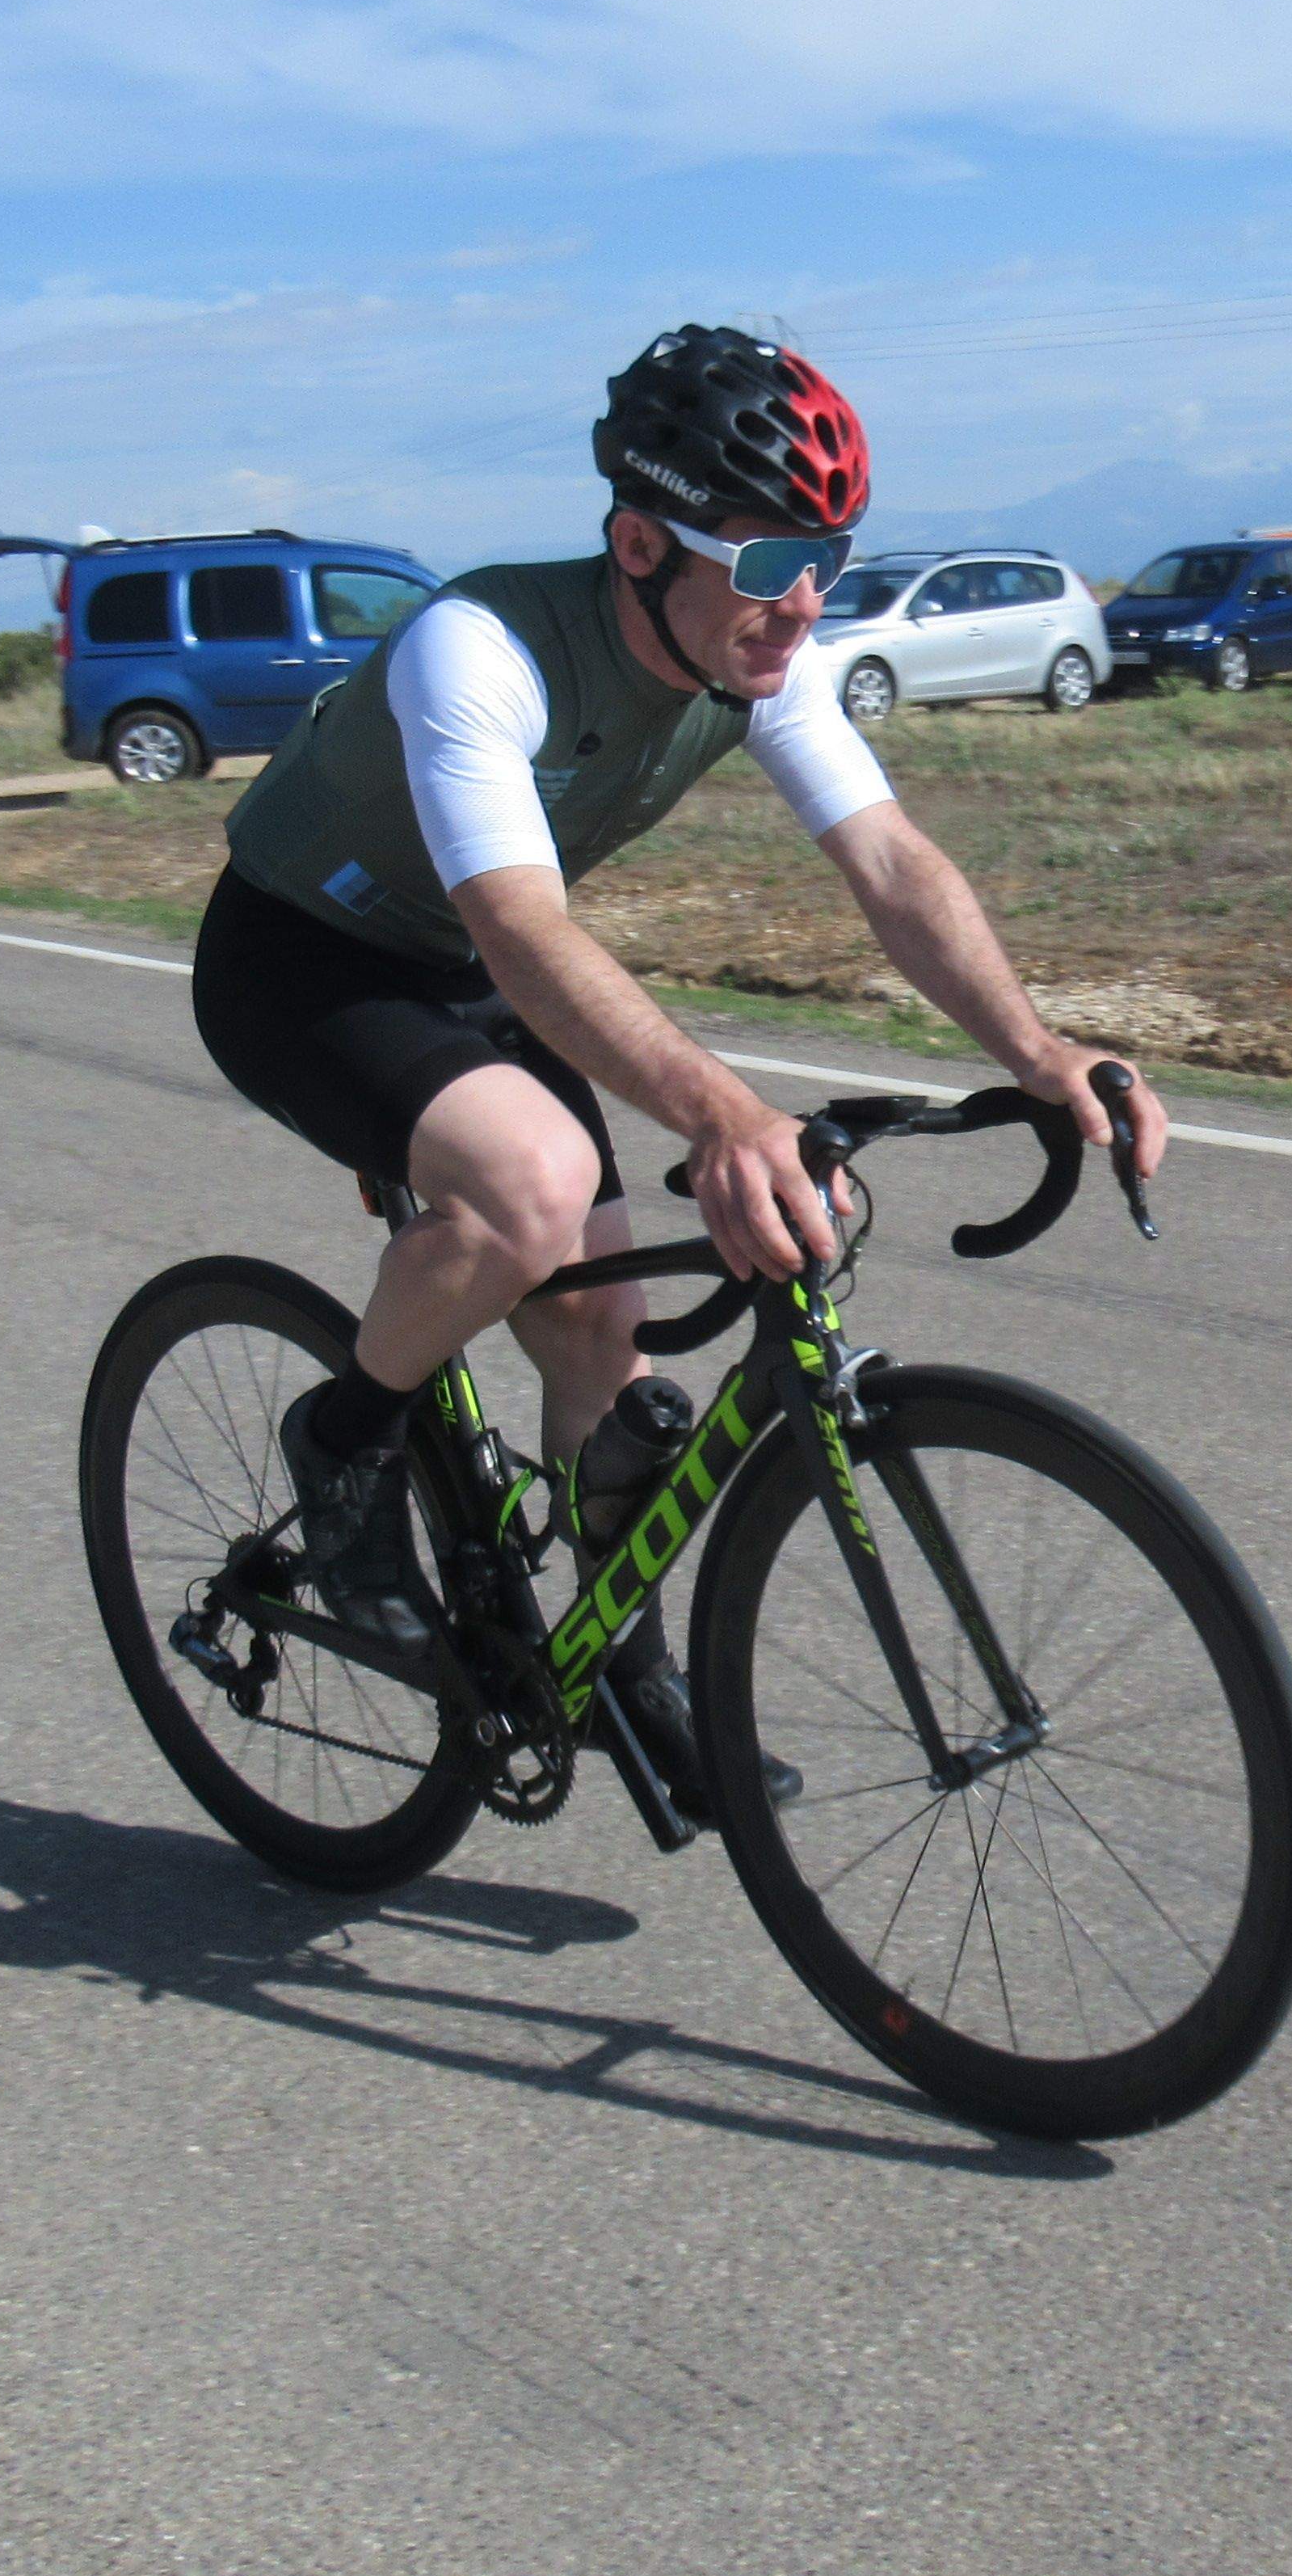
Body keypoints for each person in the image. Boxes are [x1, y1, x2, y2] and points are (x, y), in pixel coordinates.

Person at [197, 324, 1170, 1812]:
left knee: (602, 1339)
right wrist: (721, 1114)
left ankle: (620, 1665)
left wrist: (1037, 1051)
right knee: (532, 1189)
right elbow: (522, 924)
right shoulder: (483, 647)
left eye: (830, 555)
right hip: (305, 956)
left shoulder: (763, 651)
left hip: (473, 966)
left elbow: (890, 863)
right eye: (771, 555)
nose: (803, 600)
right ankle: (340, 1448)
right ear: (639, 542)